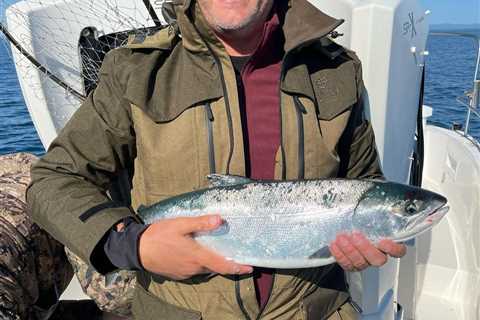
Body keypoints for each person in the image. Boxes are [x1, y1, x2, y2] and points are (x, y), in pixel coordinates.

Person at [27, 0, 406, 319]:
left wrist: (363, 240)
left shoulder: (337, 70)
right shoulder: (135, 71)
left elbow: (362, 181)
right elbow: (53, 179)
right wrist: (135, 245)